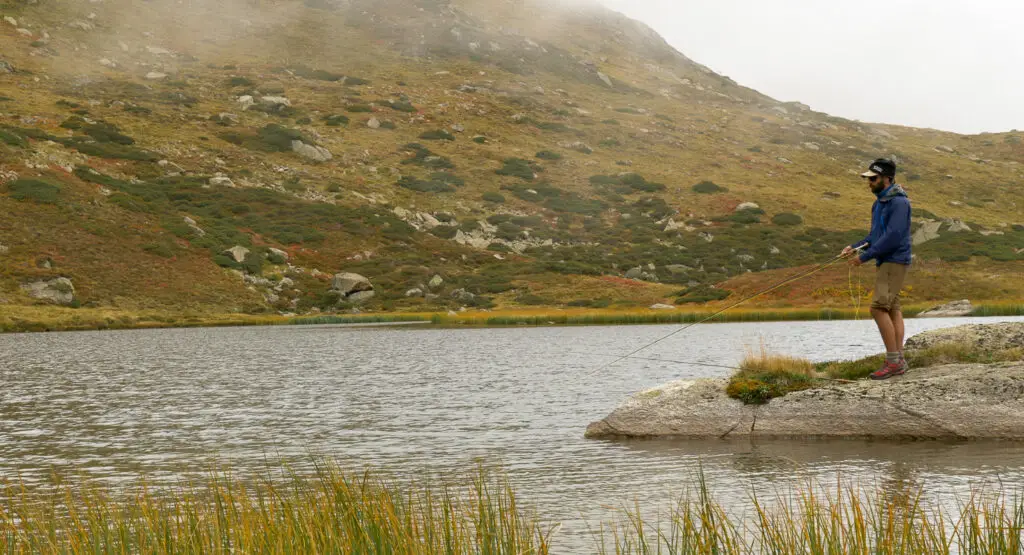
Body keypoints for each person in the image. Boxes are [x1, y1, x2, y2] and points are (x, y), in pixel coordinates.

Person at [841, 158, 912, 380]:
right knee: (892, 308)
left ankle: (893, 362)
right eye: (868, 179)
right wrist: (854, 247)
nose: (869, 182)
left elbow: (893, 236)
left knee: (878, 308)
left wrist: (865, 257)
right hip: (887, 260)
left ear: (886, 178)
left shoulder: (899, 202)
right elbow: (875, 236)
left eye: (873, 178)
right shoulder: (879, 203)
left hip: (894, 260)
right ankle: (898, 358)